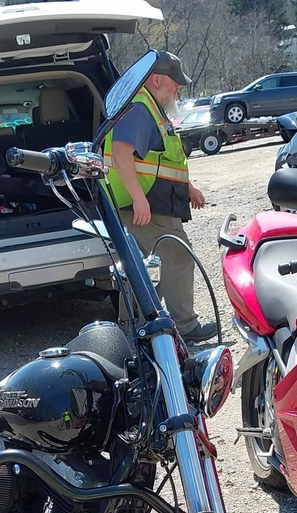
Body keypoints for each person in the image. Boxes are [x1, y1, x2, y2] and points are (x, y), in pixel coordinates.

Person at [104, 51, 216, 343]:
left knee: (149, 267)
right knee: (176, 257)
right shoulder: (140, 108)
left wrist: (187, 186)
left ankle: (139, 330)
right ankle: (184, 327)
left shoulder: (151, 107)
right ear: (156, 79)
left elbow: (163, 157)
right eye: (175, 81)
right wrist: (138, 197)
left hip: (154, 203)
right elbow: (120, 152)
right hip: (146, 206)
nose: (180, 87)